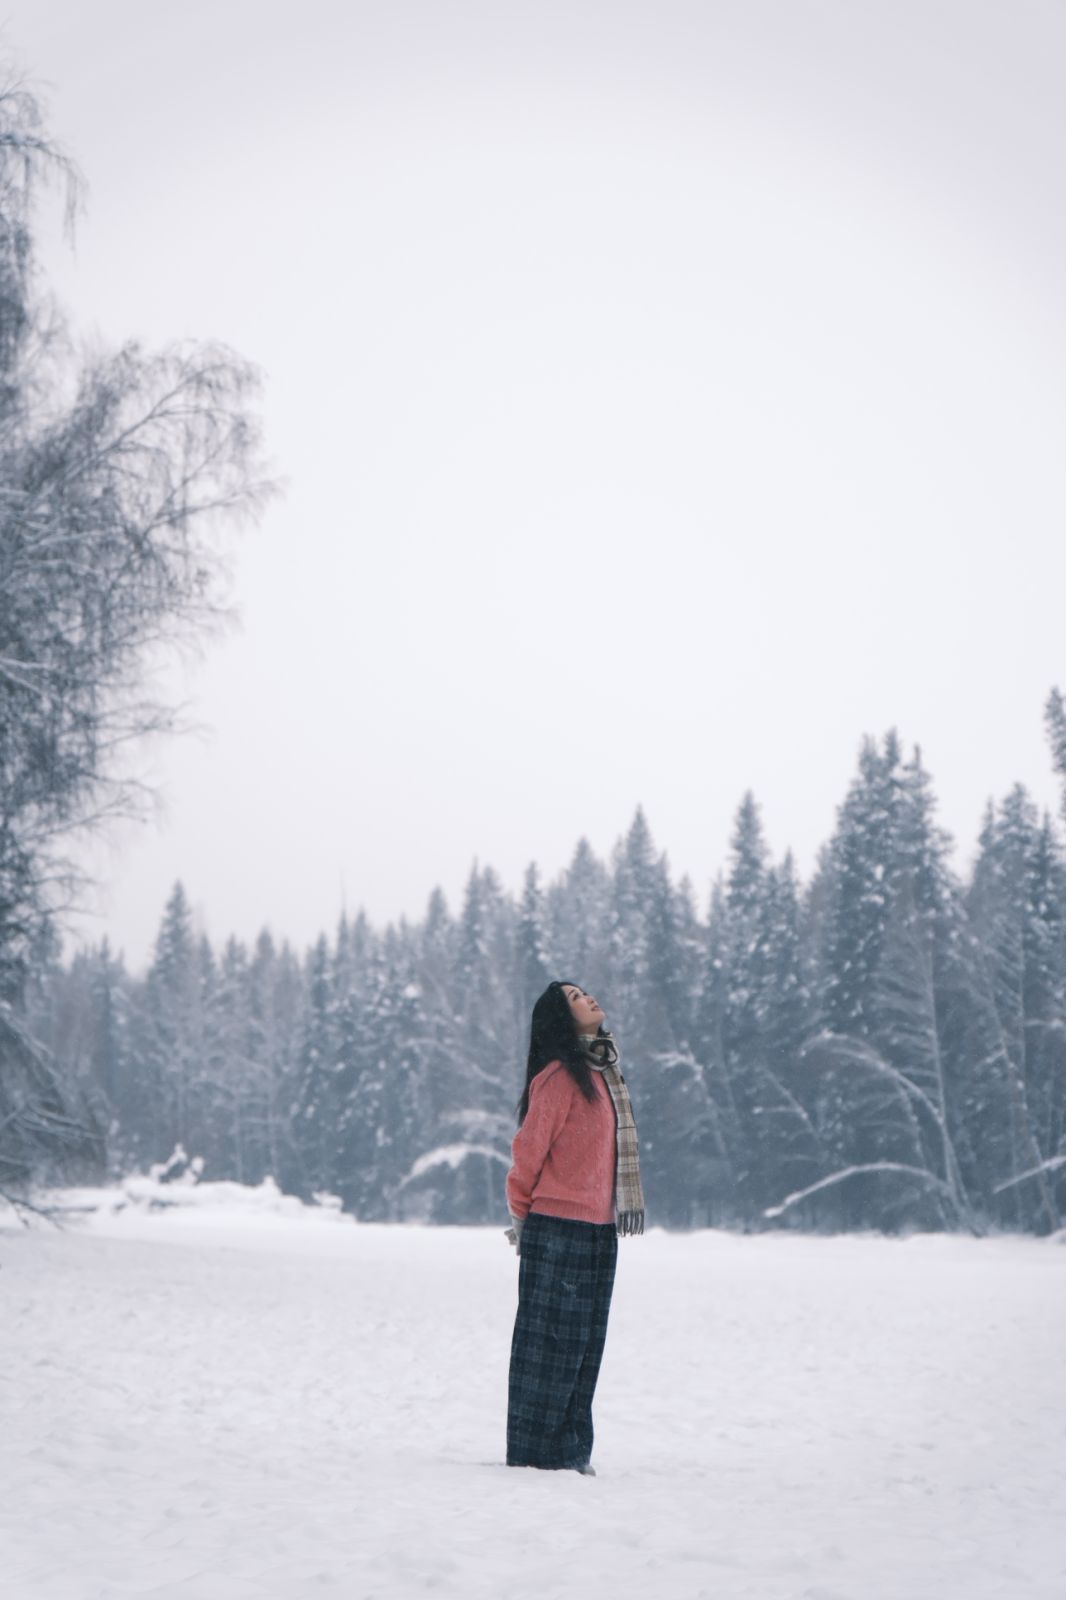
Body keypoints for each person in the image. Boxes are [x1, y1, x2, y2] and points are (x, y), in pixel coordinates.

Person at [504, 980, 645, 1475]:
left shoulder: (605, 1074)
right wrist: (522, 1218)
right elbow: (527, 1152)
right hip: (557, 1227)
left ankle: (570, 1453)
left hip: (599, 1231)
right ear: (560, 1019)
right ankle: (534, 1454)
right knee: (550, 1350)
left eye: (583, 991)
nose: (587, 998)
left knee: (586, 1347)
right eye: (573, 998)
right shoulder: (559, 1078)